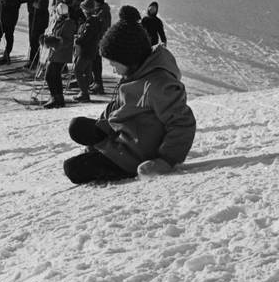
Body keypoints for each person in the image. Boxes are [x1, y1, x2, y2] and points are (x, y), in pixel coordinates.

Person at [62, 20, 196, 183]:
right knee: (77, 126)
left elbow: (182, 122)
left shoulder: (158, 84)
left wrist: (166, 160)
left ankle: (116, 162)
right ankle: (106, 149)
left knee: (72, 168)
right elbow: (116, 106)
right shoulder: (134, 74)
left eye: (114, 63)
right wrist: (100, 133)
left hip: (135, 155)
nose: (112, 69)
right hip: (121, 137)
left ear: (128, 58)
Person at [40, 0, 78, 108]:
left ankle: (55, 98)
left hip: (61, 55)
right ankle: (58, 98)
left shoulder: (68, 24)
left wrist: (54, 42)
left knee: (49, 75)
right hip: (57, 54)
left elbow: (67, 41)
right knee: (54, 76)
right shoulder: (60, 22)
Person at [24, 0, 50, 69]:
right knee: (32, 39)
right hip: (32, 18)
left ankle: (34, 61)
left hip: (41, 19)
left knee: (35, 39)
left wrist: (39, 5)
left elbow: (44, 3)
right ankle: (33, 60)